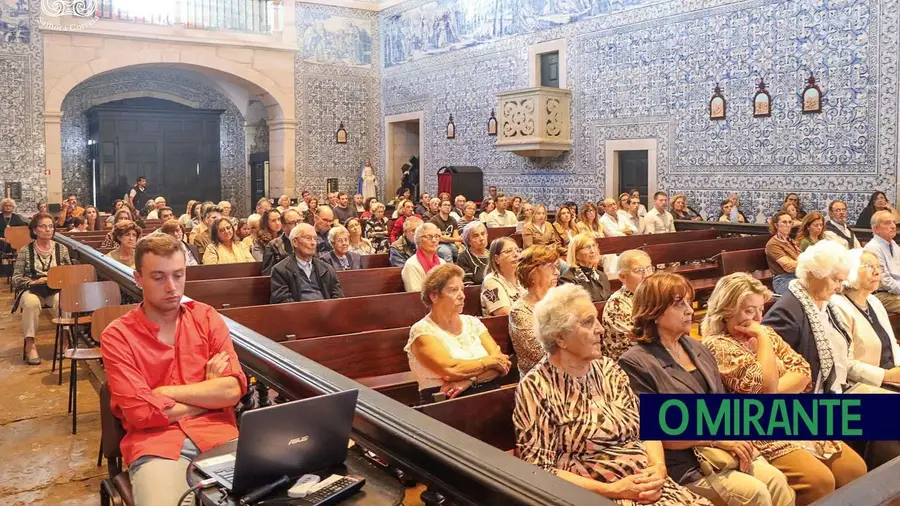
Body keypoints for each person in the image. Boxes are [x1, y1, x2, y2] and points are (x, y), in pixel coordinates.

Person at [513, 283, 710, 505]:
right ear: (560, 338)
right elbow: (540, 469)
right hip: (595, 496)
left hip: (648, 485)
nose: (600, 329)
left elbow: (647, 427)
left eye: (597, 320)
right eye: (588, 322)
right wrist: (613, 490)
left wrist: (658, 468)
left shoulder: (608, 369)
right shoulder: (536, 387)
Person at [619, 273, 794, 506]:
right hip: (684, 461)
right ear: (654, 311)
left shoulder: (696, 347)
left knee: (777, 480)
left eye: (688, 302)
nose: (689, 310)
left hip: (723, 450)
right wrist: (716, 439)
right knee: (755, 493)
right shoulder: (636, 362)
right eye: (679, 304)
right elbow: (655, 430)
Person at [101, 234, 247, 506]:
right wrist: (208, 397)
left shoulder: (206, 317)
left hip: (221, 438)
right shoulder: (117, 336)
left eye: (178, 275)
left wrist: (164, 392)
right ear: (138, 278)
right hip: (157, 447)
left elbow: (231, 391)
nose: (172, 287)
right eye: (158, 278)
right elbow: (142, 414)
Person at [702, 273, 867, 505]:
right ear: (726, 310)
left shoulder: (766, 333)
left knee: (855, 469)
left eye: (760, 309)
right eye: (749, 311)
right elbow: (765, 387)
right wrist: (763, 341)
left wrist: (773, 388)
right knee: (819, 481)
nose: (758, 318)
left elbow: (803, 370)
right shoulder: (717, 344)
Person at [831, 249, 900, 468]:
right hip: (859, 384)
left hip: (890, 376)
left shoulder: (874, 302)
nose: (877, 272)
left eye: (878, 267)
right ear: (851, 270)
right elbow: (845, 364)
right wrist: (887, 375)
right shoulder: (837, 306)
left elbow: (892, 344)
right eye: (869, 266)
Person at [405, 264, 511, 404]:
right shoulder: (422, 330)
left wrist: (470, 381)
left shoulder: (472, 322)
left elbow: (502, 364)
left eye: (462, 289)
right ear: (434, 296)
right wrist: (490, 362)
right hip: (447, 400)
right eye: (453, 290)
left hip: (489, 391)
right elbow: (451, 370)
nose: (462, 296)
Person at [762, 241, 853, 393]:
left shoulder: (826, 305)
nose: (839, 288)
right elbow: (774, 374)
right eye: (835, 280)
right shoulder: (785, 313)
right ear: (812, 274)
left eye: (842, 281)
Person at [12, 213, 71, 365]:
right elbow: (16, 278)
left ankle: (64, 337)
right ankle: (30, 343)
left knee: (63, 300)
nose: (48, 229)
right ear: (34, 230)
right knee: (31, 303)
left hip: (55, 289)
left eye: (51, 226)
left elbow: (69, 274)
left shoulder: (61, 249)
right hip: (33, 289)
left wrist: (57, 280)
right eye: (43, 226)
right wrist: (33, 282)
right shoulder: (26, 250)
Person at [509, 245, 559, 376]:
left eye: (556, 266)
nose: (557, 272)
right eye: (551, 266)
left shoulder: (560, 302)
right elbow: (540, 354)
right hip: (539, 379)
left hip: (568, 372)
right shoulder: (520, 311)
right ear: (532, 272)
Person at [601, 250, 654, 361]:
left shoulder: (654, 295)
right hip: (629, 363)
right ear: (623, 277)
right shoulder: (617, 304)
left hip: (653, 356)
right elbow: (637, 342)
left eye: (649, 268)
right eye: (639, 270)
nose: (647, 275)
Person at [270, 223, 343, 303]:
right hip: (297, 310)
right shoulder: (280, 270)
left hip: (327, 309)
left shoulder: (327, 269)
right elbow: (283, 301)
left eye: (315, 239)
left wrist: (329, 309)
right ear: (295, 242)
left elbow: (338, 296)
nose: (313, 243)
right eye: (308, 238)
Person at [559, 232, 612, 302]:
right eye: (587, 247)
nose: (593, 251)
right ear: (576, 254)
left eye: (594, 245)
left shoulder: (602, 276)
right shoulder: (568, 280)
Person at [480, 237, 526, 316]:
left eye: (518, 250)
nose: (516, 254)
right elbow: (504, 313)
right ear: (497, 259)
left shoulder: (523, 277)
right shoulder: (491, 282)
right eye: (509, 251)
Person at [766, 210, 802, 295]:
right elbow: (788, 266)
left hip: (797, 276)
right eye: (784, 222)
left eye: (790, 222)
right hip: (783, 280)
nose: (788, 225)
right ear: (776, 225)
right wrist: (808, 262)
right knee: (808, 287)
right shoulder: (773, 244)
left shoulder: (791, 241)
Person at [402, 223, 445, 291]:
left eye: (436, 236)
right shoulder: (412, 265)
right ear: (418, 240)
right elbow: (414, 293)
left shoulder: (442, 263)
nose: (434, 240)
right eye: (429, 236)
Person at [261, 209, 301, 275]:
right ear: (283, 226)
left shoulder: (310, 242)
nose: (297, 225)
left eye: (299, 221)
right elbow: (268, 274)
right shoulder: (273, 246)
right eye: (292, 223)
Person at [456, 221, 490, 286]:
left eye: (483, 234)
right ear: (468, 240)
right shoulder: (464, 257)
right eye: (476, 236)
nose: (481, 238)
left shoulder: (494, 254)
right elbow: (467, 286)